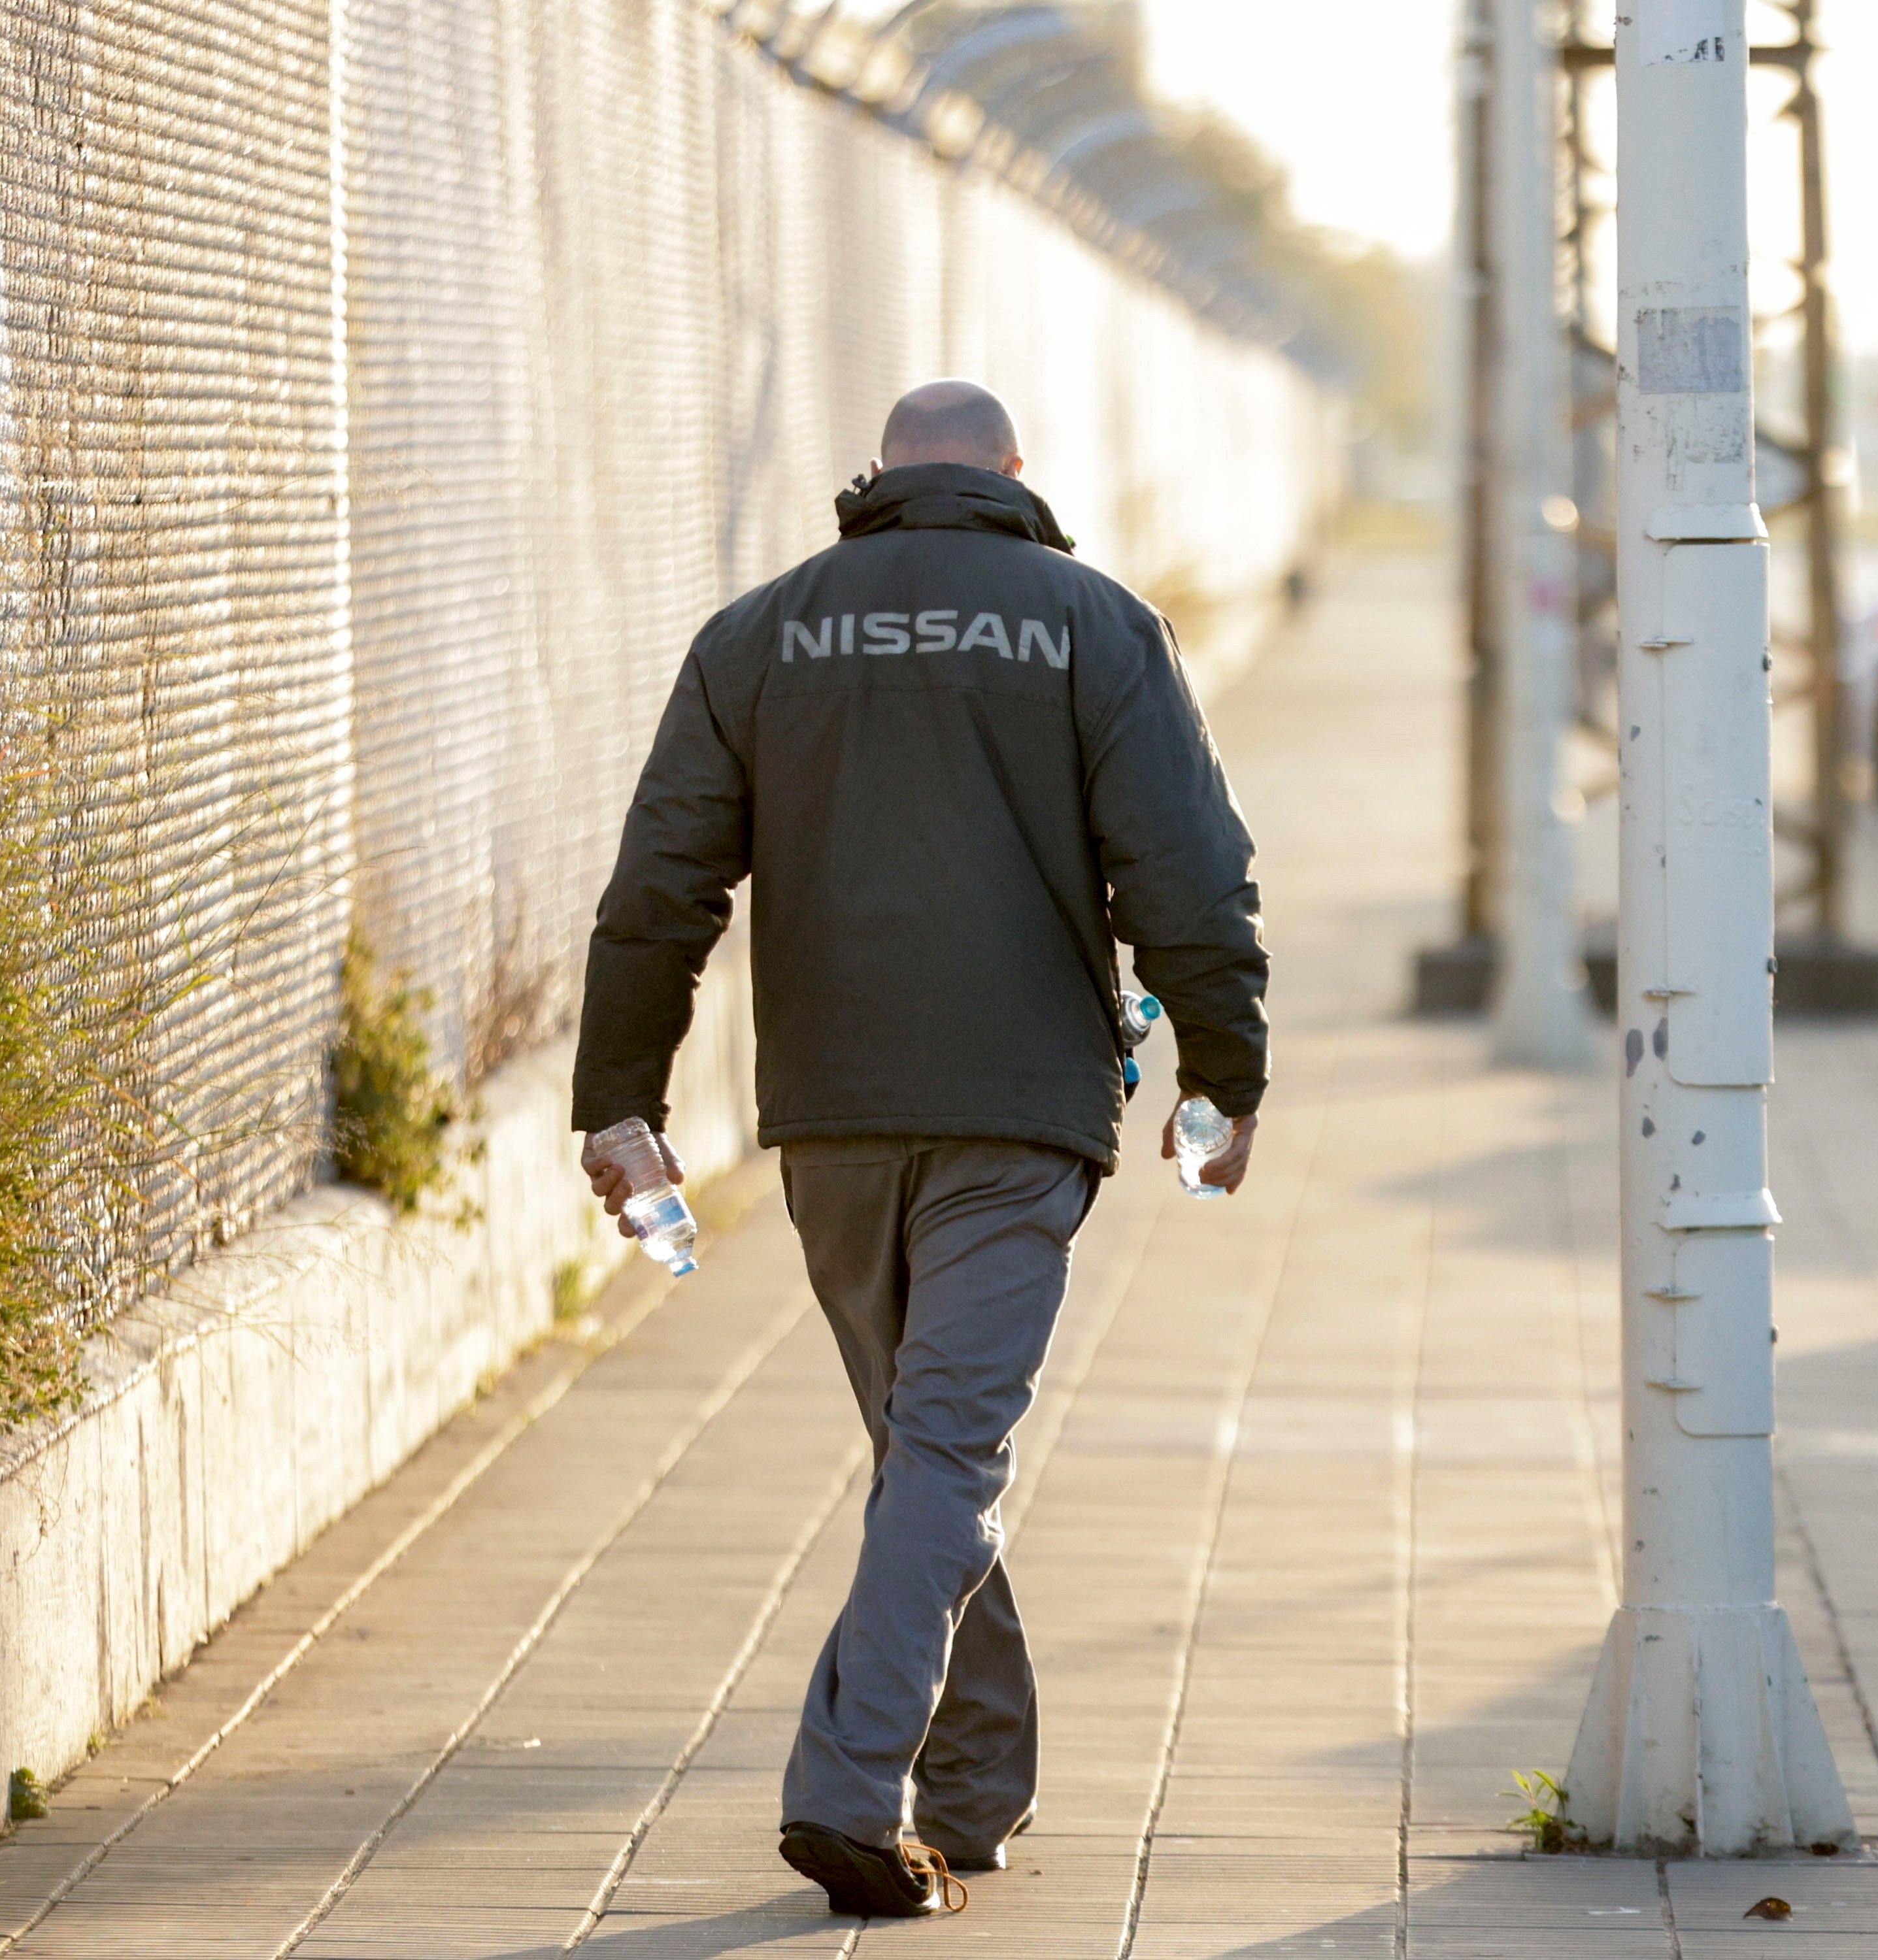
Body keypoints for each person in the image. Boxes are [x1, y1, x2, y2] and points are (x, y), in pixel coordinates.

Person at [570, 380, 1268, 1919]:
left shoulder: (760, 633)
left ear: (877, 475)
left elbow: (658, 892)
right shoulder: (1092, 624)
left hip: (829, 1118)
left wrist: (618, 1108)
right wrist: (1221, 1082)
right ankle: (847, 1791)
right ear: (1015, 474)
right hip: (1017, 1113)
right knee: (942, 1453)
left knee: (922, 1452)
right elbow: (1191, 872)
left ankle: (975, 1785)